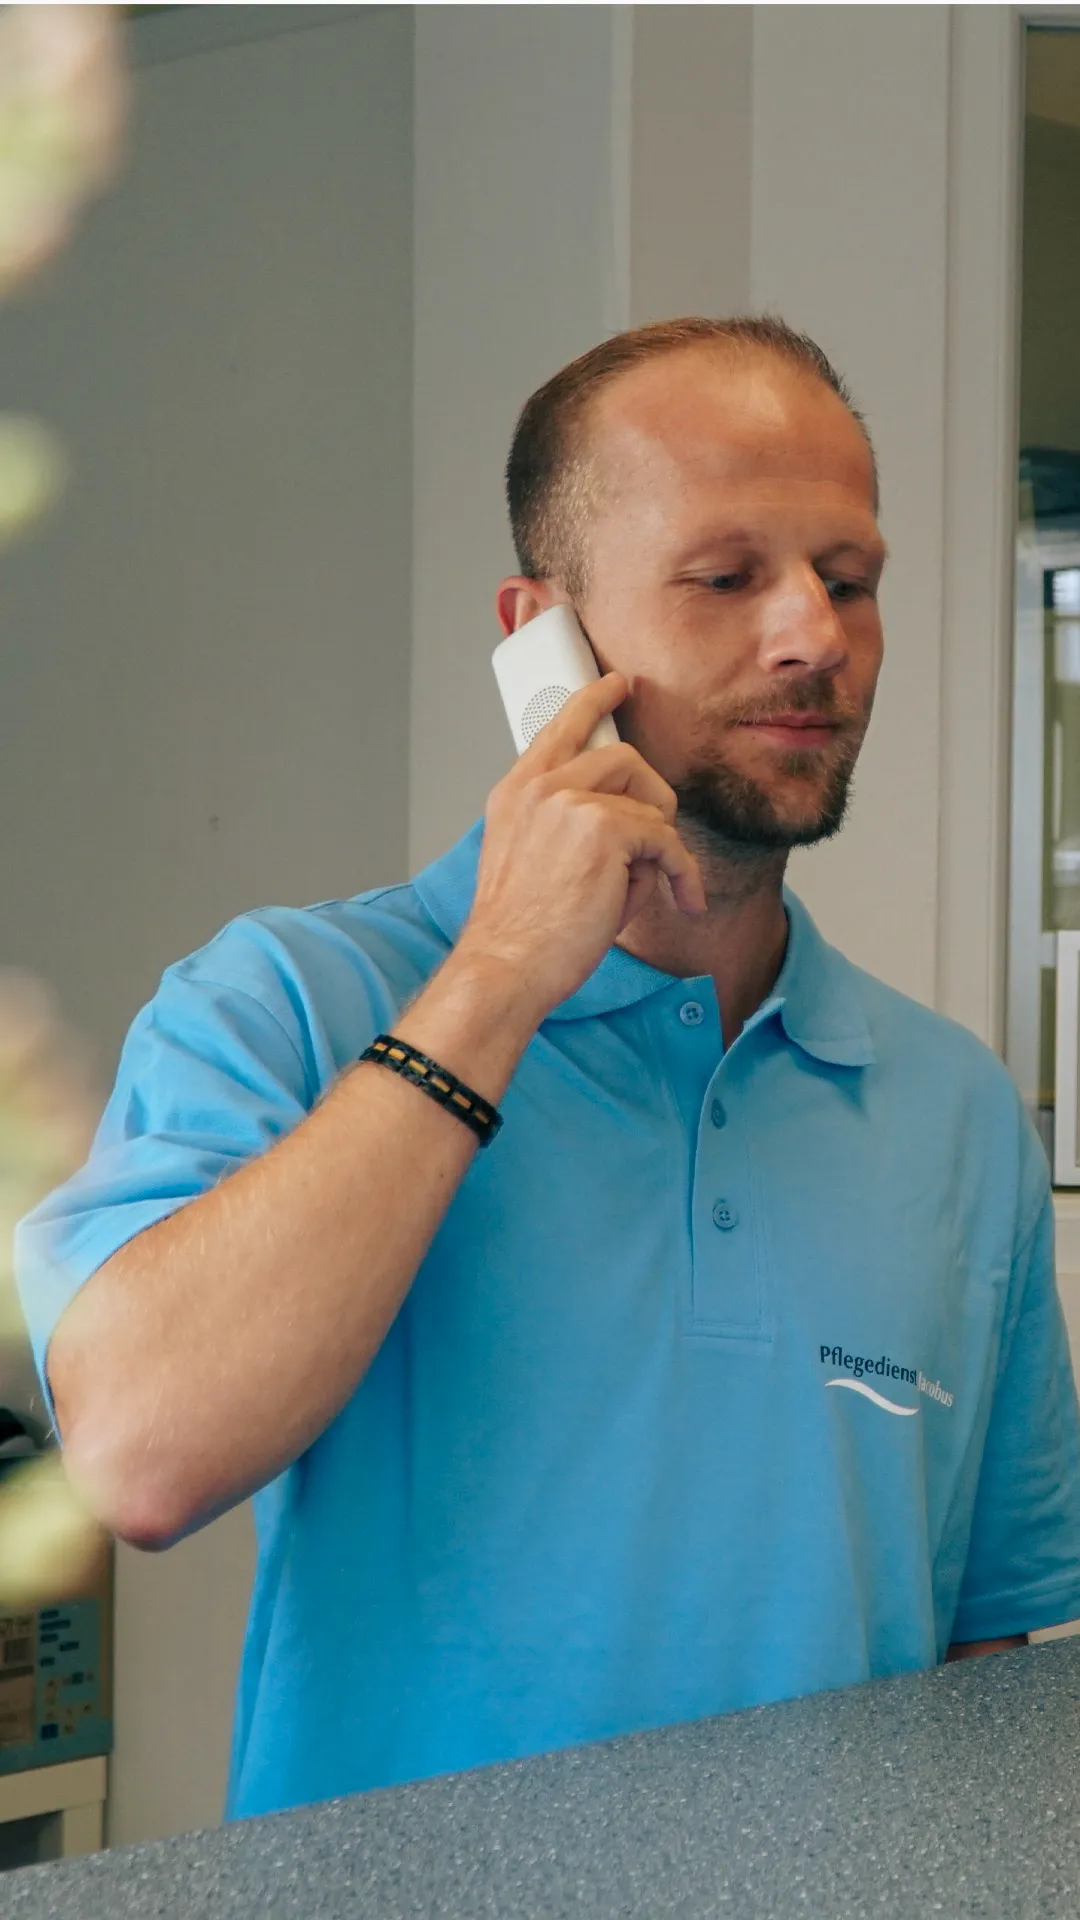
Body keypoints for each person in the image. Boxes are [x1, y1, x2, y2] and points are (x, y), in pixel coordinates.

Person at [16, 316, 1080, 1821]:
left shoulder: (958, 1111)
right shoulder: (286, 1003)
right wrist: (502, 975)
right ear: (544, 638)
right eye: (727, 577)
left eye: (847, 578)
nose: (814, 636)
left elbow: (985, 1662)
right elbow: (138, 1460)